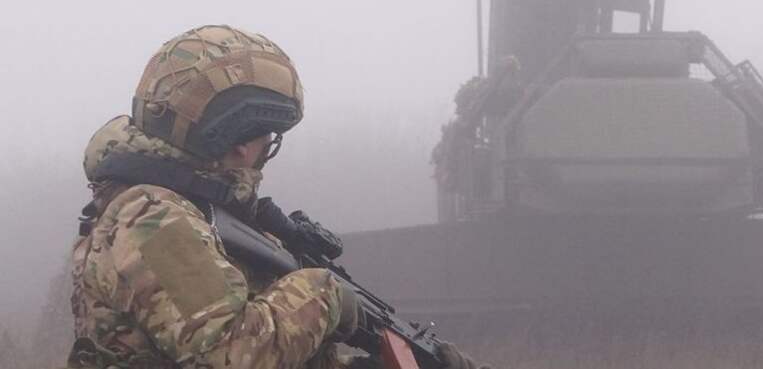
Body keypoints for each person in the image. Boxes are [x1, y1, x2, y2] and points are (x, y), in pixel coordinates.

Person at [69, 25, 482, 369]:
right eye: (267, 138)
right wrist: (326, 295)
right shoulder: (152, 216)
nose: (265, 151)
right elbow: (229, 354)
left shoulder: (194, 214)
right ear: (235, 140)